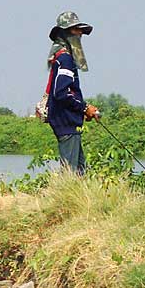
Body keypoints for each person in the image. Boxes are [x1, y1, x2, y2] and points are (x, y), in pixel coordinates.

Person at [46, 11, 99, 174]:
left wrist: (82, 109)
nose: (80, 33)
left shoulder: (62, 58)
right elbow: (61, 93)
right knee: (70, 173)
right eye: (76, 30)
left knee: (79, 171)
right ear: (65, 33)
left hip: (69, 122)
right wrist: (84, 108)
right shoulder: (66, 59)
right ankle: (61, 199)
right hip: (66, 123)